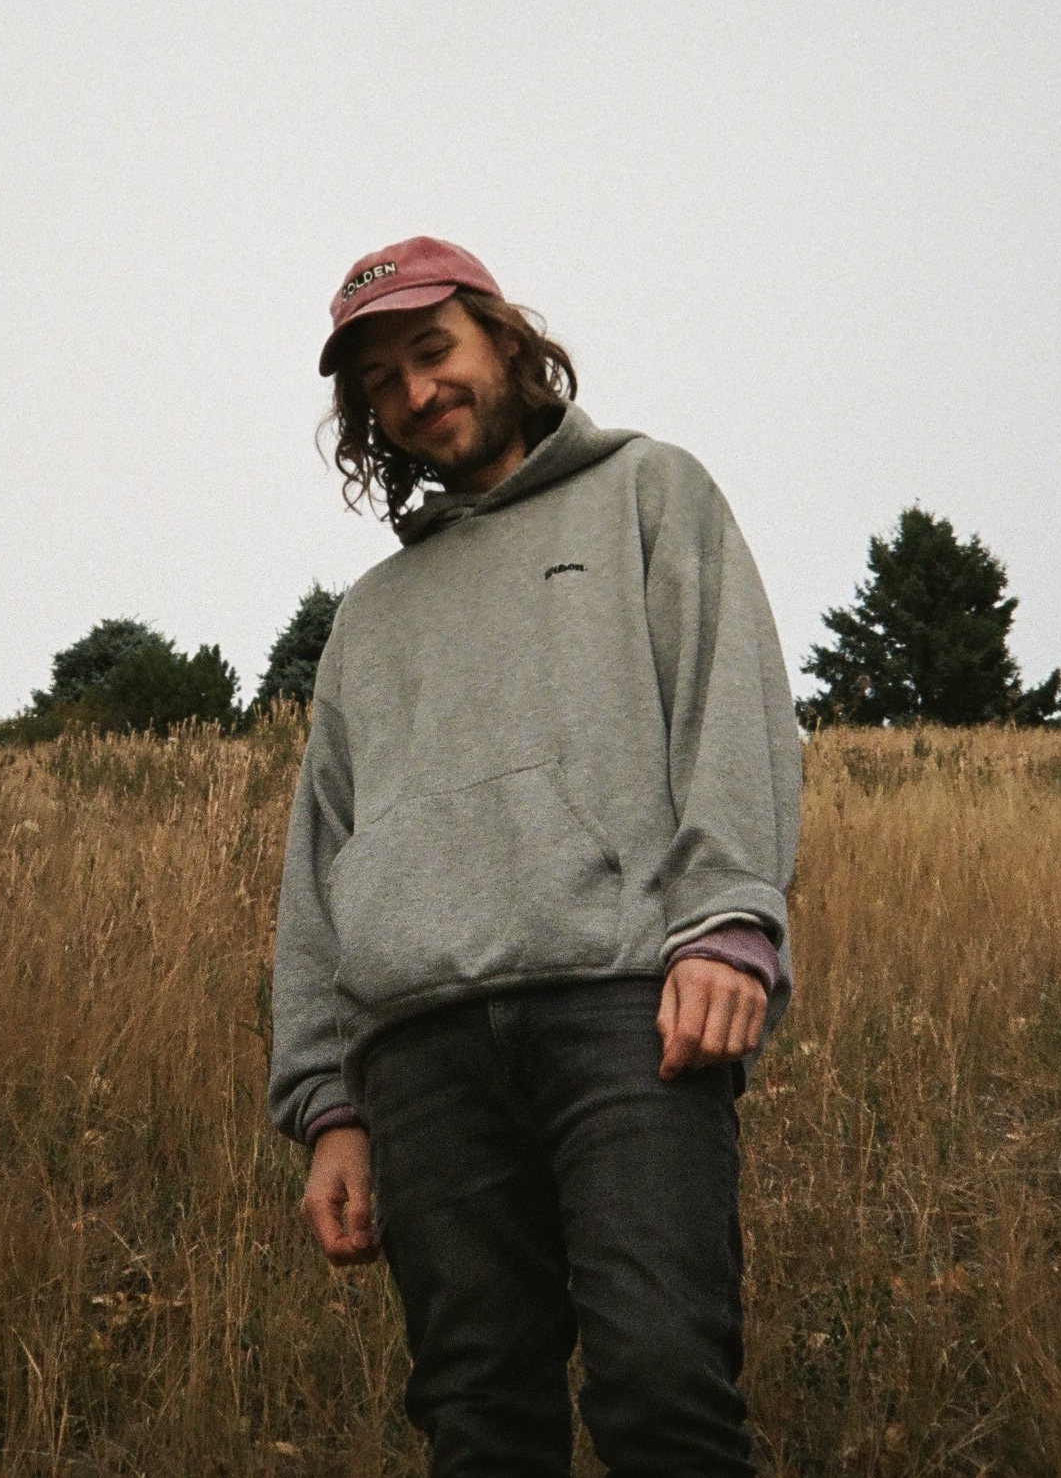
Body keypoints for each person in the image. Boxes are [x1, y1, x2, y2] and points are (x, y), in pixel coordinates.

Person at [267, 235, 802, 1476]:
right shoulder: (369, 616)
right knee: (478, 1421)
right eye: (381, 382)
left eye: (433, 350)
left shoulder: (650, 491)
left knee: (663, 1391)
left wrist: (730, 923)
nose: (415, 392)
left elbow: (731, 704)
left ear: (505, 340)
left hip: (623, 1010)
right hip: (419, 1056)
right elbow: (321, 859)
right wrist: (328, 1103)